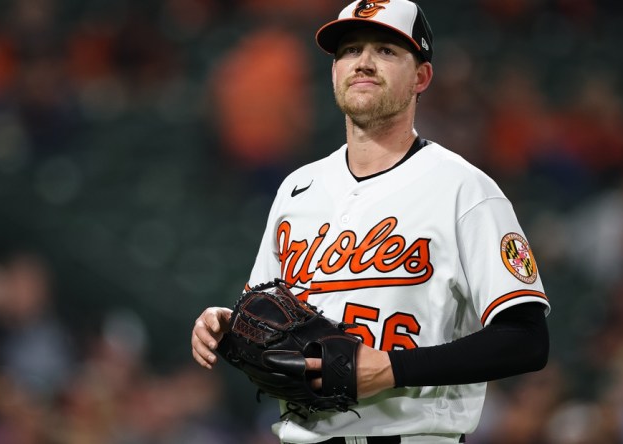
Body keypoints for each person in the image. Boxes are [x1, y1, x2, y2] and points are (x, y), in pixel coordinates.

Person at [192, 1, 551, 443]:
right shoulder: (296, 189)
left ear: (421, 77)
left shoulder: (465, 190)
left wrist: (392, 369)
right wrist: (228, 328)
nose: (362, 61)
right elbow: (265, 323)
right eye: (349, 50)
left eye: (385, 50)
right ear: (333, 73)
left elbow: (527, 339)